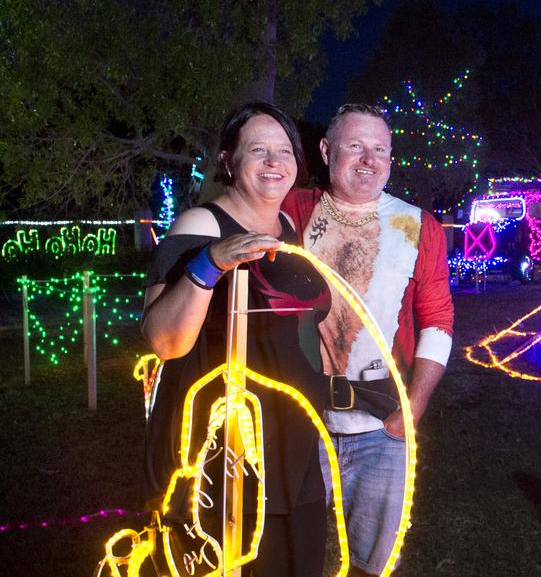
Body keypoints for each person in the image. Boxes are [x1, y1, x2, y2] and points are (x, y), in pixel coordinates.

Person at [141, 102, 329, 576]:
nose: (274, 162)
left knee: (293, 559)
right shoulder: (200, 225)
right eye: (258, 150)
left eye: (283, 150)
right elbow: (164, 341)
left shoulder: (289, 226)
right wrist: (211, 263)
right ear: (228, 160)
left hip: (291, 434)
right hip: (225, 442)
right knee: (229, 557)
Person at [282, 103, 453, 576]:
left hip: (382, 425)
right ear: (326, 150)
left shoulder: (418, 227)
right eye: (355, 146)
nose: (367, 159)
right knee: (293, 554)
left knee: (369, 564)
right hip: (303, 421)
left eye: (380, 149)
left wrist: (412, 408)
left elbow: (437, 320)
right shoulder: (291, 210)